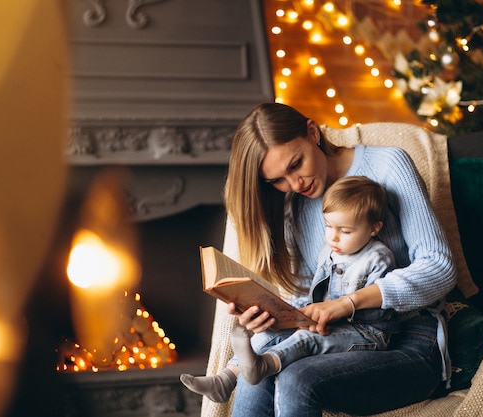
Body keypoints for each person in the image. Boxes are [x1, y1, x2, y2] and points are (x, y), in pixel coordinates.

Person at [215, 103, 456, 417]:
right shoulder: (295, 209)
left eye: (296, 164)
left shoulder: (388, 165)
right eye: (278, 180)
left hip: (411, 340)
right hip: (339, 339)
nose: (295, 184)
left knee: (296, 380)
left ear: (313, 133)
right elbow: (311, 297)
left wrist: (349, 303)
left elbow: (439, 266)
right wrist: (275, 316)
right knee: (258, 367)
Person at [181, 176, 396, 400]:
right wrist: (286, 312)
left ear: (373, 228)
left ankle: (265, 364)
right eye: (329, 226)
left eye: (346, 231)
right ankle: (225, 379)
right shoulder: (329, 251)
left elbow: (379, 311)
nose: (333, 236)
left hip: (367, 334)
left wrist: (329, 316)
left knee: (306, 338)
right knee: (270, 330)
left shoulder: (378, 258)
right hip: (326, 322)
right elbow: (316, 294)